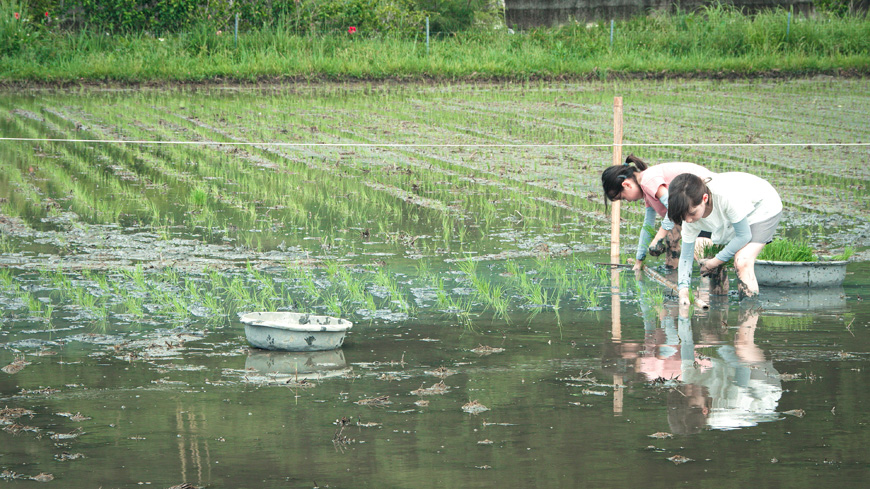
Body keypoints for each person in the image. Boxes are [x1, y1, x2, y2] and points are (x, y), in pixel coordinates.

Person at [667, 172, 782, 307]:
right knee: (701, 247)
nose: (688, 220)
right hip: (734, 216)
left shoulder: (724, 197)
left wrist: (713, 262)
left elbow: (743, 235)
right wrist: (683, 290)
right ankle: (719, 307)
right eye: (683, 216)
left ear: (705, 198)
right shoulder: (688, 216)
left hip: (761, 206)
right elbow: (686, 256)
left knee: (743, 261)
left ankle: (749, 316)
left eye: (692, 213)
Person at [601, 155, 714, 271]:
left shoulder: (648, 180)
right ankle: (675, 272)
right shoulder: (646, 191)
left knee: (701, 249)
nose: (628, 200)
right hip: (696, 208)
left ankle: (706, 280)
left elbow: (672, 208)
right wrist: (639, 259)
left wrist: (657, 239)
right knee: (674, 234)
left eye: (623, 197)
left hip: (706, 198)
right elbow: (647, 226)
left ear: (626, 185)